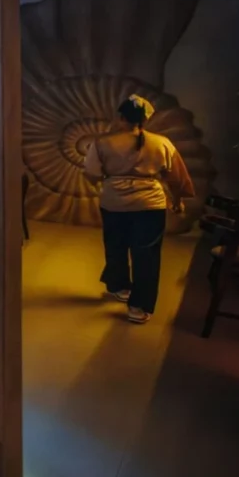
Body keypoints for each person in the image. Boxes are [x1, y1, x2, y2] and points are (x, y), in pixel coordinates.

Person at [84, 94, 195, 324]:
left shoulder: (102, 142)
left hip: (114, 203)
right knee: (147, 255)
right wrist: (177, 201)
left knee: (115, 246)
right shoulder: (162, 142)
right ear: (145, 119)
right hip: (150, 205)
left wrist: (108, 179)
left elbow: (92, 174)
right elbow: (177, 178)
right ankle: (139, 306)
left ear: (121, 117)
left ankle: (120, 287)